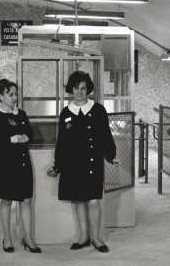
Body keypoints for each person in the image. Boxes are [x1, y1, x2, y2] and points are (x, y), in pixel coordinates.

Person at [47, 71, 119, 253]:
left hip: (92, 162)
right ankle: (83, 237)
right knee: (79, 200)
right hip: (72, 163)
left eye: (83, 88)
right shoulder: (66, 113)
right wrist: (58, 166)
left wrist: (111, 156)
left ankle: (97, 239)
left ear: (88, 90)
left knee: (93, 202)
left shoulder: (98, 110)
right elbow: (62, 141)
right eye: (76, 88)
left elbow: (105, 136)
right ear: (71, 89)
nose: (79, 92)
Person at [0, 79, 42, 253]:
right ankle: (7, 239)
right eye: (10, 94)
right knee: (7, 200)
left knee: (25, 200)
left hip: (22, 162)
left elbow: (30, 133)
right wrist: (9, 140)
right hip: (5, 165)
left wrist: (26, 137)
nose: (14, 97)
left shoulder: (21, 114)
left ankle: (28, 239)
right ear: (0, 96)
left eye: (16, 94)